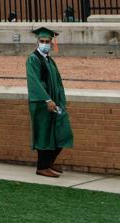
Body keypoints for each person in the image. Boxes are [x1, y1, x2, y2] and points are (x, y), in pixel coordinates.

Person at [27, 27, 73, 177]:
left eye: (47, 41)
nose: (45, 44)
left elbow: (58, 83)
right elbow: (34, 82)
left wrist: (61, 101)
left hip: (54, 103)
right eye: (42, 41)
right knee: (44, 134)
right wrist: (47, 99)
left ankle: (49, 162)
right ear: (37, 42)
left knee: (61, 132)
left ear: (52, 43)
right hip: (41, 104)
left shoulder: (50, 61)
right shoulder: (33, 59)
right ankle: (42, 167)